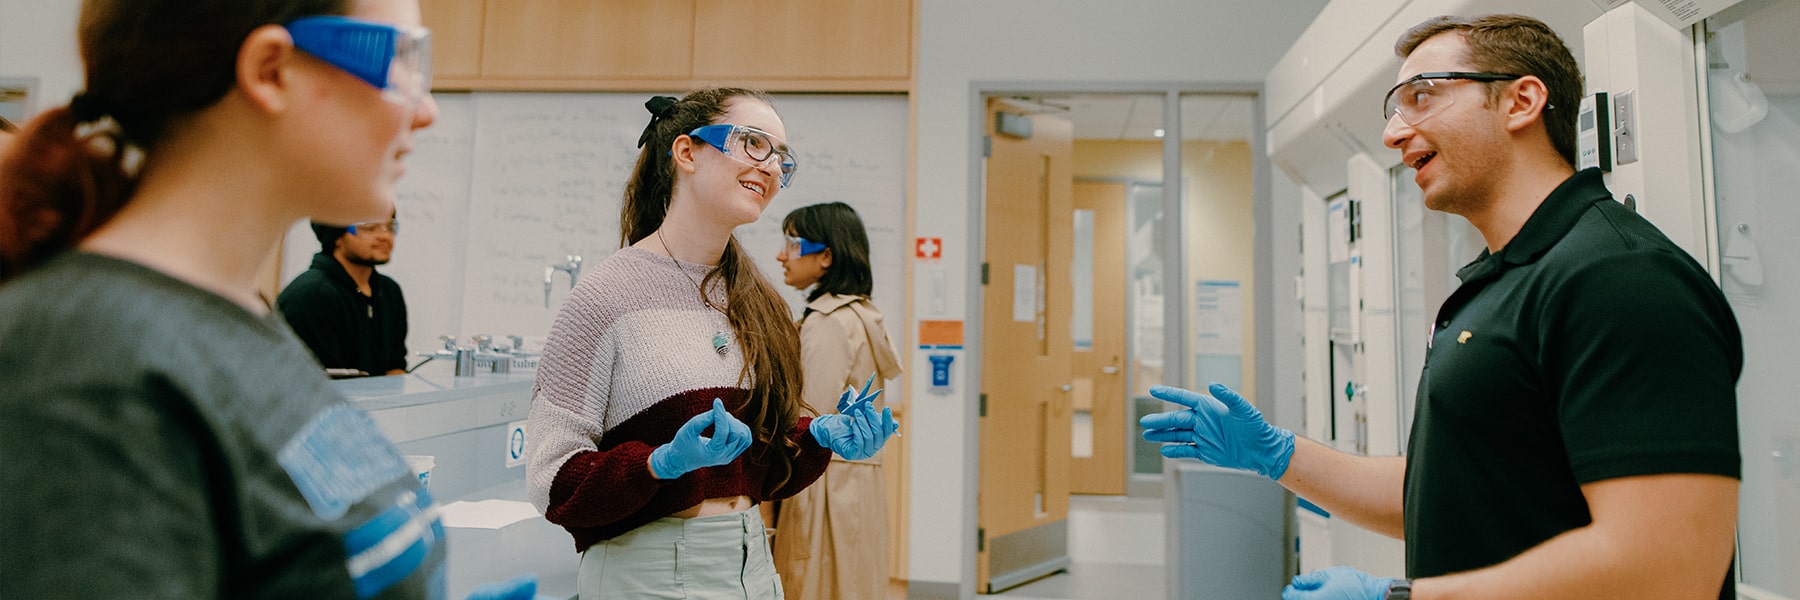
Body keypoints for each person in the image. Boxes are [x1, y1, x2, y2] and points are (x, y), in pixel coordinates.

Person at [1142, 14, 1741, 600]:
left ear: (1520, 101)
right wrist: (1278, 454)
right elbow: (1452, 493)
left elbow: (1669, 569)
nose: (1393, 133)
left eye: (1422, 97)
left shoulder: (1616, 276)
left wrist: (1405, 598)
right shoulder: (1505, 280)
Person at [0, 1, 534, 598]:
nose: (426, 110)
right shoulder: (86, 360)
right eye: (405, 61)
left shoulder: (233, 320)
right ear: (271, 71)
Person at [525, 89, 900, 599]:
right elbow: (552, 480)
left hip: (751, 562)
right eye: (753, 143)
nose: (770, 167)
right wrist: (658, 463)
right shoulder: (604, 297)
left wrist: (818, 437)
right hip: (649, 570)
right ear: (686, 153)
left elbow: (761, 467)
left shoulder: (758, 300)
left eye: (781, 158)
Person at [770, 201, 903, 600]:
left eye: (792, 244)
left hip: (823, 484)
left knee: (812, 585)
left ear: (826, 255)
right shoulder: (861, 313)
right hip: (854, 483)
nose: (781, 254)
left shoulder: (828, 322)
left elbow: (805, 415)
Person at [279, 212, 410, 376]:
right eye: (369, 227)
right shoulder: (312, 296)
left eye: (390, 226)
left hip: (378, 401)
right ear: (337, 236)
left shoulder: (389, 291)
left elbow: (395, 366)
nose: (385, 236)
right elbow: (317, 384)